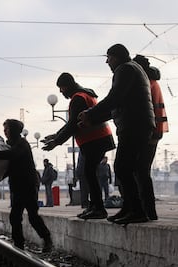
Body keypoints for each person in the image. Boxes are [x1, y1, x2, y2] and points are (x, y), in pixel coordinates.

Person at [78, 44, 155, 224]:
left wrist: (90, 113)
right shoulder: (132, 69)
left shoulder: (125, 69)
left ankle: (137, 210)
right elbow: (116, 106)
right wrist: (93, 117)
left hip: (135, 125)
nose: (107, 61)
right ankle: (129, 208)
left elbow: (114, 97)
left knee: (122, 167)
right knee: (128, 167)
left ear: (118, 57)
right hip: (137, 124)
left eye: (109, 57)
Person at [43, 72, 115, 219]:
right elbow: (72, 124)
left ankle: (98, 208)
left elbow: (72, 126)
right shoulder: (85, 94)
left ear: (66, 86)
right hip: (98, 139)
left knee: (89, 172)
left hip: (95, 140)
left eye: (61, 88)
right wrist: (56, 136)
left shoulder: (78, 99)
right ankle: (94, 206)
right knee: (89, 173)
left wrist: (56, 142)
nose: (60, 92)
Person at [0, 119, 52, 252]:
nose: (5, 132)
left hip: (28, 184)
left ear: (13, 130)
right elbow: (7, 166)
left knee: (32, 216)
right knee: (15, 216)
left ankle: (47, 239)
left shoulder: (22, 144)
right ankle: (18, 244)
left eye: (7, 129)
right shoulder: (10, 145)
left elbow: (11, 155)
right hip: (17, 185)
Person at [132, 55, 169, 220]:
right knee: (141, 171)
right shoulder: (153, 81)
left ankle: (147, 211)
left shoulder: (147, 84)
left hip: (149, 133)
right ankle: (148, 211)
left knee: (141, 171)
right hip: (154, 131)